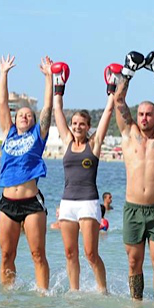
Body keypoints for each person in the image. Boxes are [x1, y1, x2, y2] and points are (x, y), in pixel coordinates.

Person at [114, 50, 154, 302]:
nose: (144, 118)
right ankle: (136, 305)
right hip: (132, 209)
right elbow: (119, 100)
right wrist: (127, 73)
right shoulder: (129, 133)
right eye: (140, 113)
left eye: (149, 114)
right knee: (133, 262)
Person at [53, 62, 116, 292]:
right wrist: (58, 85)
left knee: (90, 253)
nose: (78, 126)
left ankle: (103, 290)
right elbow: (57, 110)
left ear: (88, 126)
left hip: (89, 202)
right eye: (75, 123)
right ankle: (74, 291)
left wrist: (111, 89)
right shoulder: (67, 142)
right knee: (70, 253)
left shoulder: (94, 144)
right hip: (67, 202)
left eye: (82, 124)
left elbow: (108, 113)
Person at [0, 55, 53, 290]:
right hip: (7, 203)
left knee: (37, 253)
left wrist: (49, 78)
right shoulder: (8, 133)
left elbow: (47, 108)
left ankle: (42, 295)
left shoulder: (38, 136)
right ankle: (8, 298)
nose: (25, 117)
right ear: (15, 119)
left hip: (31, 203)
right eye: (21, 114)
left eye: (29, 115)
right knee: (7, 254)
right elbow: (2, 103)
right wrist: (3, 74)